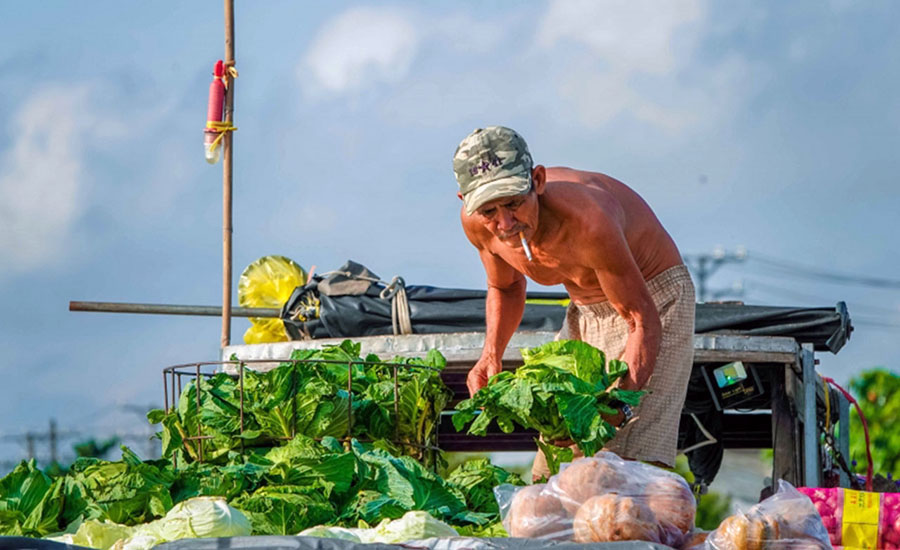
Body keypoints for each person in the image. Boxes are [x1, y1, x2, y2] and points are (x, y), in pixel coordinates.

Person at [453, 126, 695, 479]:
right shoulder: (477, 225)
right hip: (584, 311)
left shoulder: (589, 219)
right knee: (554, 469)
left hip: (653, 302)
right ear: (466, 201)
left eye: (514, 203)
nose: (504, 223)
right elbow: (506, 287)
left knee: (628, 471)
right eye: (489, 210)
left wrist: (619, 406)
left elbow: (641, 320)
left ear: (537, 181)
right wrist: (491, 354)